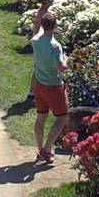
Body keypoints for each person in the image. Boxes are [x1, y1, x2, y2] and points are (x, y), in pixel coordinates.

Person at [31, 12, 68, 163]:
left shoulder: (35, 40)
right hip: (53, 86)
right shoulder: (55, 46)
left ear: (42, 24)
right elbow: (61, 68)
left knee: (41, 117)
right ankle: (47, 150)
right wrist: (66, 59)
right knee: (62, 118)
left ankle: (40, 149)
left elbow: (40, 29)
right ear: (55, 26)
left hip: (39, 84)